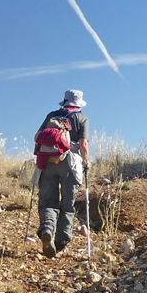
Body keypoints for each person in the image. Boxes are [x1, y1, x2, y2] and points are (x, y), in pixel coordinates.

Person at [35, 89, 89, 258]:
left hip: (48, 161)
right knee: (67, 204)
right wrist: (86, 161)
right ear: (79, 103)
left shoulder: (52, 116)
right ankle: (61, 243)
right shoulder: (82, 119)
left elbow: (37, 136)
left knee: (48, 201)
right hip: (71, 163)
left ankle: (47, 229)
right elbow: (83, 144)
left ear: (64, 101)